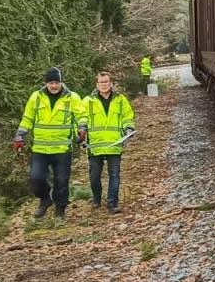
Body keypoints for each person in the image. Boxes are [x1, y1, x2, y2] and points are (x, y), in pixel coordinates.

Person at [13, 67, 86, 220]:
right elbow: (28, 118)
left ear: (61, 82)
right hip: (40, 148)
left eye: (56, 82)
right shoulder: (36, 97)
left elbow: (81, 116)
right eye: (51, 83)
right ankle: (45, 199)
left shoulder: (72, 98)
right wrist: (20, 136)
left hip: (62, 148)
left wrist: (81, 129)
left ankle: (60, 209)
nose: (54, 86)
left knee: (61, 181)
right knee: (36, 179)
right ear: (46, 83)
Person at [83, 70, 136, 212]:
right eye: (101, 82)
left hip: (114, 144)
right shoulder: (88, 101)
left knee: (114, 175)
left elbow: (127, 117)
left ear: (111, 83)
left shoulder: (120, 100)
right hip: (95, 145)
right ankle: (96, 198)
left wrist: (129, 128)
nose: (104, 85)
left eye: (106, 82)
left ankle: (112, 203)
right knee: (94, 176)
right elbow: (82, 118)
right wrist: (81, 130)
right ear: (97, 84)